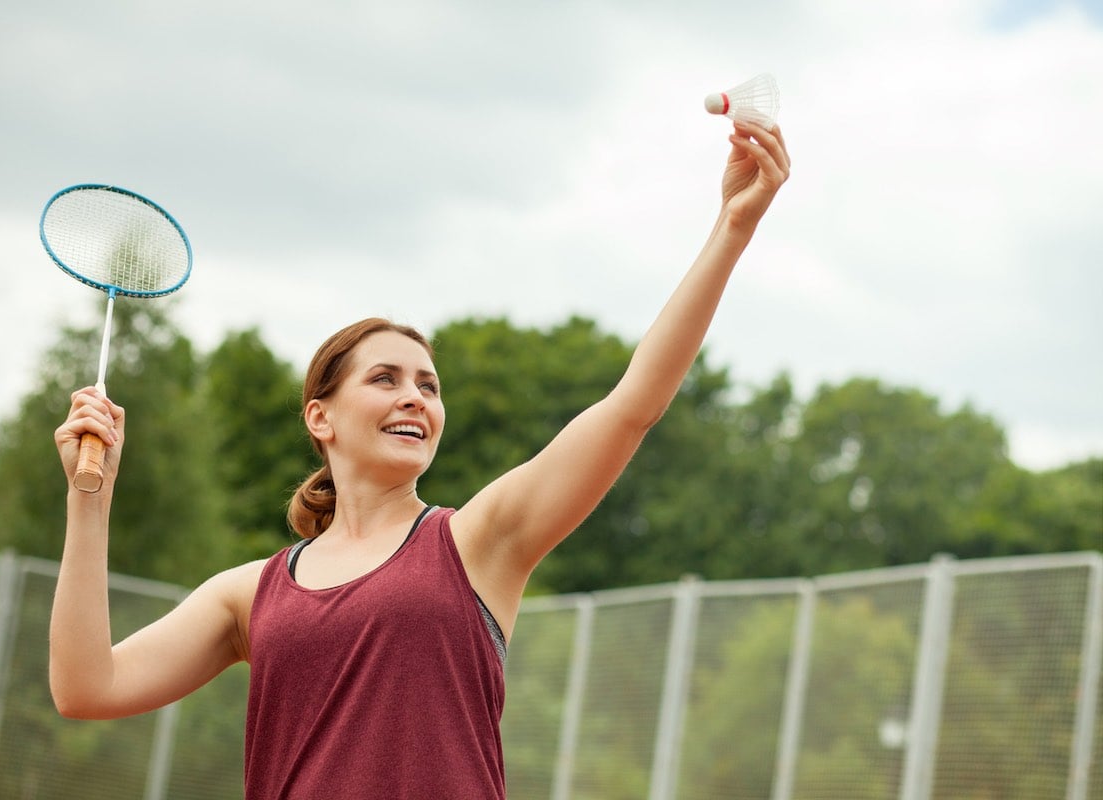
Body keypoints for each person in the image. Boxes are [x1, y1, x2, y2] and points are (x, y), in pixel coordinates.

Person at [50, 120, 790, 799]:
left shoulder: (478, 541)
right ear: (321, 418)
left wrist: (731, 225)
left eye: (429, 387)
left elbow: (631, 406)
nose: (415, 399)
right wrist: (92, 499)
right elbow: (86, 686)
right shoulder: (250, 595)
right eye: (386, 379)